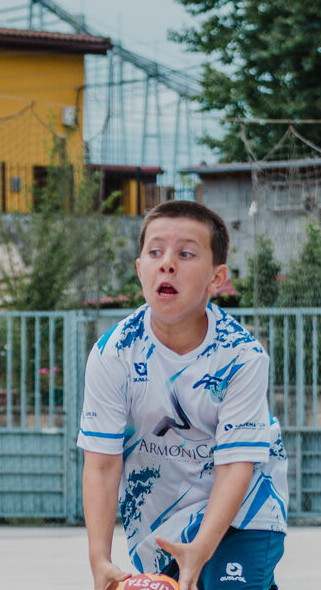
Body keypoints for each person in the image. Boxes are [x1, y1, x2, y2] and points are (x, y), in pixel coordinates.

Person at [78, 200, 288, 590]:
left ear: (216, 278)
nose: (167, 263)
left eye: (186, 253)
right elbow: (103, 465)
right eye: (155, 252)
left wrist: (203, 546)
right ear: (140, 269)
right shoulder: (113, 353)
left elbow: (234, 466)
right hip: (160, 524)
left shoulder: (241, 356)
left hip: (244, 512)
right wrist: (99, 559)